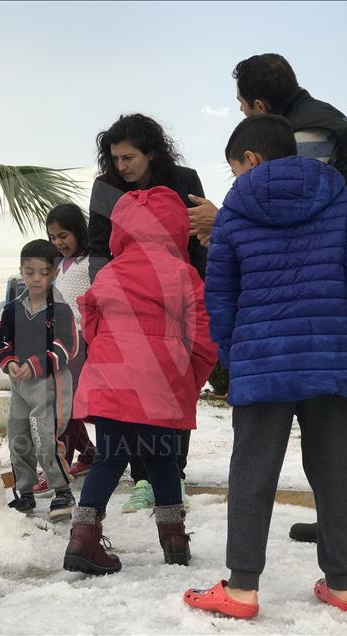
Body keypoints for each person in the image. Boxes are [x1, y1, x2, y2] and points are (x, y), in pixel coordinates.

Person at [188, 54, 347, 544]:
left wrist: (227, 220)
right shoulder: (319, 114)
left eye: (243, 110)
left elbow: (296, 220)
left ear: (259, 105)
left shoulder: (304, 135)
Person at [184, 114, 347, 619]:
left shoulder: (237, 206)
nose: (236, 178)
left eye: (235, 167)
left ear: (252, 160)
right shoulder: (342, 197)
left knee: (252, 472)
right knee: (332, 472)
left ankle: (241, 590)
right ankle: (343, 584)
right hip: (330, 355)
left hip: (263, 360)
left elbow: (222, 293)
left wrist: (232, 355)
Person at [63, 186, 217, 575]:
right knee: (163, 457)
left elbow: (92, 326)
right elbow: (203, 336)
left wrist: (108, 363)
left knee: (111, 456)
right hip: (162, 382)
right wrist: (189, 381)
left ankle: (82, 536)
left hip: (112, 381)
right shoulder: (184, 274)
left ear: (120, 231)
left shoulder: (109, 273)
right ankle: (174, 538)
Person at [88, 113, 208, 513]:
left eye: (129, 158)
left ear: (151, 152)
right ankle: (142, 479)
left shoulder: (183, 181)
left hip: (175, 294)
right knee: (127, 398)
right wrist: (108, 299)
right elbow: (99, 247)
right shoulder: (106, 188)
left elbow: (197, 242)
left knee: (172, 390)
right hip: (123, 295)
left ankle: (175, 474)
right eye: (115, 158)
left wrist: (196, 294)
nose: (121, 166)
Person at [0, 239, 80, 522]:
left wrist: (34, 364)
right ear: (21, 271)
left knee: (45, 438)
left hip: (50, 384)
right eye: (29, 272)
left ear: (53, 273)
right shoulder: (11, 309)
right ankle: (25, 492)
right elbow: (0, 341)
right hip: (19, 385)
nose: (36, 278)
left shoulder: (61, 310)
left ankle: (62, 490)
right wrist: (10, 362)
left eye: (43, 272)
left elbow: (67, 347)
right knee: (18, 436)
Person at [32, 204, 97, 497]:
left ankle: (59, 468)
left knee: (66, 408)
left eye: (63, 235)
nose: (59, 242)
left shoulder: (89, 262)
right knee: (67, 408)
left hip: (83, 341)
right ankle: (88, 454)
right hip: (64, 340)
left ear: (78, 231)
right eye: (53, 237)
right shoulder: (64, 264)